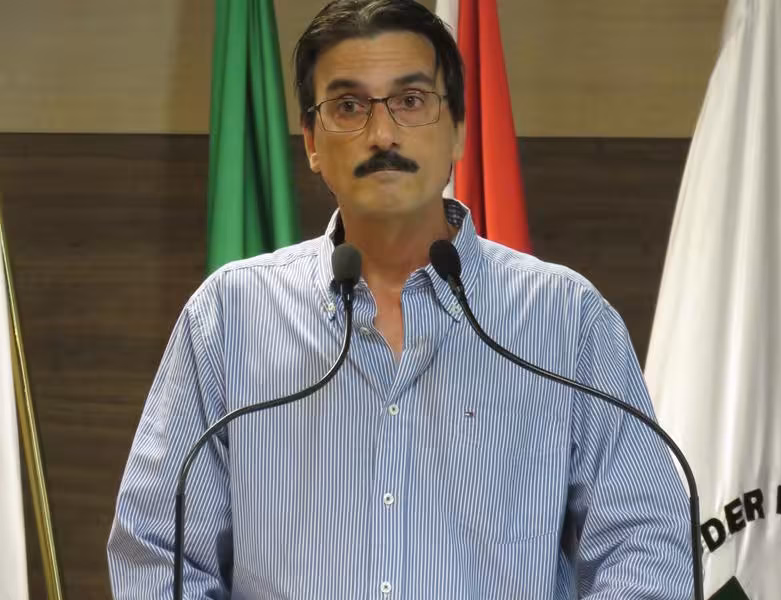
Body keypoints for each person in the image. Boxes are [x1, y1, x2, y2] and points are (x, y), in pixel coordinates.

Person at [108, 1, 691, 598]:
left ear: (458, 129)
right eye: (348, 106)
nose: (382, 134)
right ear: (311, 141)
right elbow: (158, 554)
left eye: (411, 101)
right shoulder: (229, 317)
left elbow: (645, 548)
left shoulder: (566, 319)